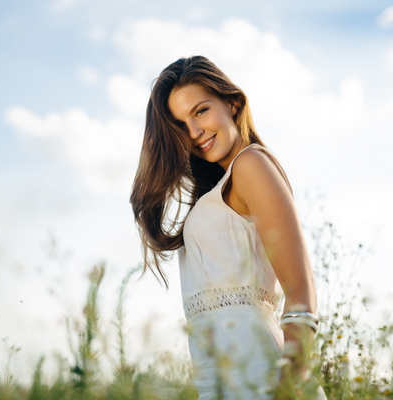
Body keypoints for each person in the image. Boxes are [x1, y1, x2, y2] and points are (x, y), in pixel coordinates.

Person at [130, 56, 327, 399]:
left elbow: (301, 292)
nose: (194, 132)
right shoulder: (217, 188)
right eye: (180, 124)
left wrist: (289, 388)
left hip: (264, 380)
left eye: (201, 111)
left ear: (232, 104)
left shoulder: (251, 164)